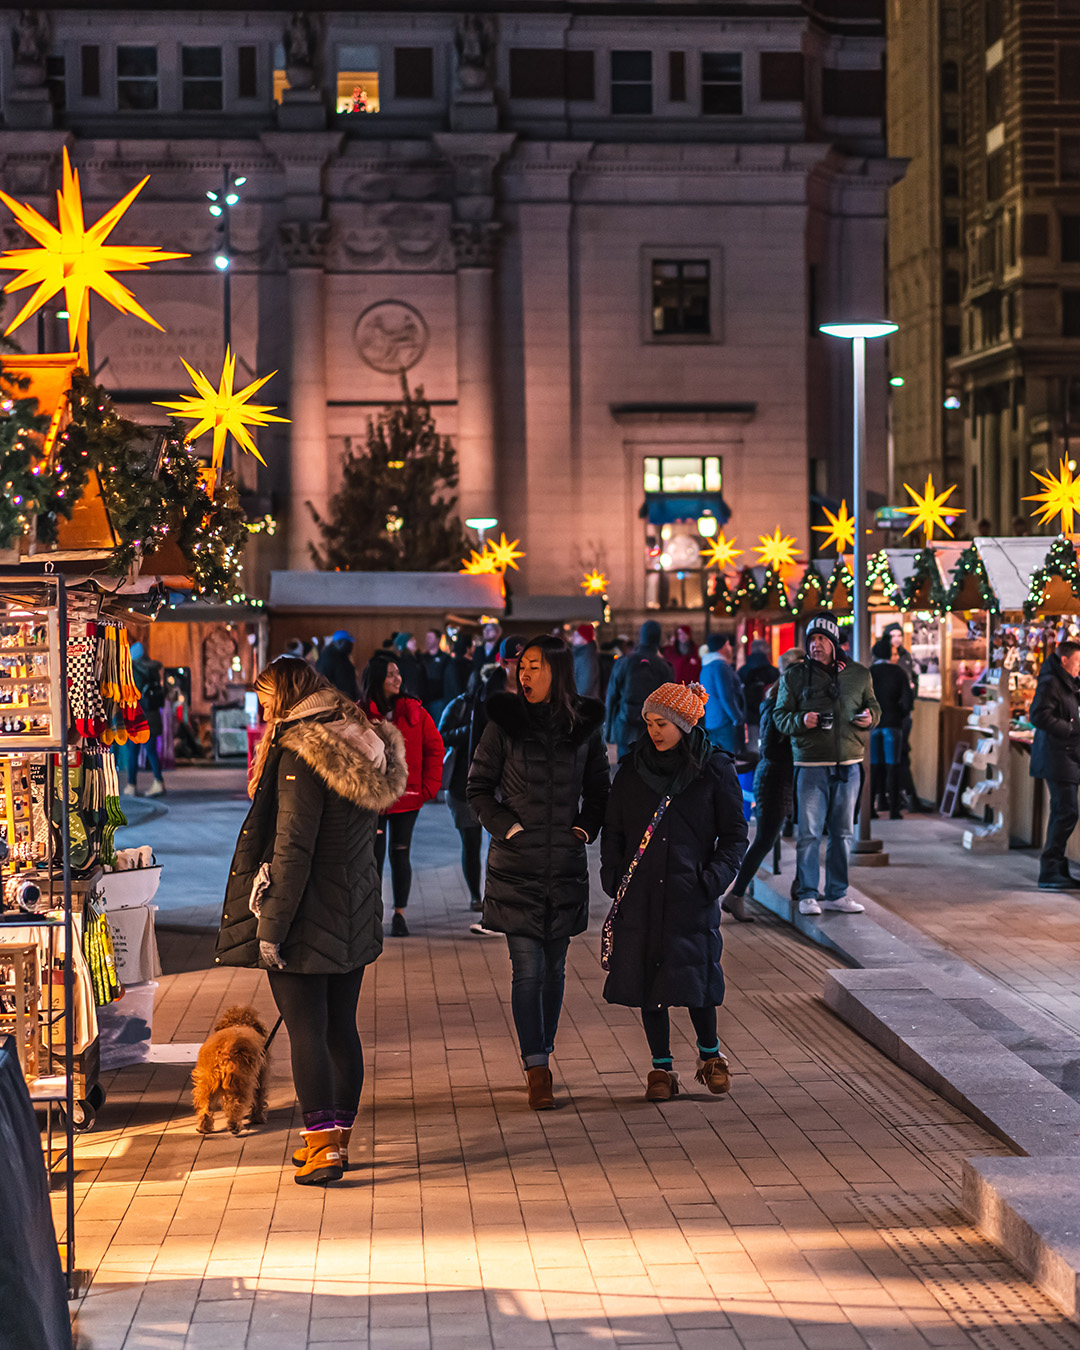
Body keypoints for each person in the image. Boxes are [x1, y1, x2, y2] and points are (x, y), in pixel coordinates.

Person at [215, 656, 407, 1185]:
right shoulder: (360, 736)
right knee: (341, 1025)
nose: (263, 708)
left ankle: (321, 1147)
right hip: (353, 904)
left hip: (308, 910)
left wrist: (271, 928)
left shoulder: (304, 751)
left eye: (266, 697)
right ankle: (337, 1139)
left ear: (287, 694)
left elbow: (292, 846)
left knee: (307, 1030)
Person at [467, 635, 609, 1109]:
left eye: (534, 667)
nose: (523, 675)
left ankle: (542, 1050)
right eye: (521, 667)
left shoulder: (585, 727)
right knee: (527, 969)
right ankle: (536, 1066)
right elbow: (478, 787)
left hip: (564, 865)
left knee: (555, 968)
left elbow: (599, 792)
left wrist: (584, 831)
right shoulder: (504, 723)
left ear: (558, 671)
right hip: (517, 865)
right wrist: (506, 828)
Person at [600, 681, 747, 1101]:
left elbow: (735, 834)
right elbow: (614, 828)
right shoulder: (632, 767)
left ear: (683, 724)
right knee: (650, 981)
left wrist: (713, 879)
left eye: (662, 723)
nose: (654, 731)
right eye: (648, 723)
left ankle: (710, 1056)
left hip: (690, 893)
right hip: (641, 894)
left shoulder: (713, 767)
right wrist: (612, 875)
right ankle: (661, 1069)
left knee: (697, 976)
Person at [774, 614, 880, 916]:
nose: (816, 645)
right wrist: (801, 720)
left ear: (834, 642)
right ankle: (808, 893)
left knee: (843, 832)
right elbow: (780, 716)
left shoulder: (859, 674)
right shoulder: (794, 676)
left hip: (849, 764)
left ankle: (837, 893)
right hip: (810, 764)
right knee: (808, 832)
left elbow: (874, 706)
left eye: (822, 639)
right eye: (811, 640)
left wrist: (871, 717)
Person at [360, 651, 444, 936]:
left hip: (407, 798)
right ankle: (372, 914)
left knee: (400, 853)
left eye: (398, 674)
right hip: (373, 799)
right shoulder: (361, 714)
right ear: (378, 680)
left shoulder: (414, 712)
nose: (397, 679)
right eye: (391, 674)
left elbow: (435, 748)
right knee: (373, 856)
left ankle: (399, 914)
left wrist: (429, 787)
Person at [723, 647, 804, 922]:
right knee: (764, 839)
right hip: (775, 777)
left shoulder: (783, 695)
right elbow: (770, 747)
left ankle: (738, 895)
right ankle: (735, 894)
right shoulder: (780, 697)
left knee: (773, 838)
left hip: (778, 776)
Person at [439, 661, 506, 913]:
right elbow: (442, 734)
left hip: (497, 786)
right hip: (462, 785)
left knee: (497, 844)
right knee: (471, 842)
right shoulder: (461, 704)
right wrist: (474, 727)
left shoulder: (506, 710)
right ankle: (475, 895)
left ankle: (493, 894)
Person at [1029, 640, 1080, 890]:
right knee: (1066, 811)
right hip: (1057, 756)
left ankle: (1056, 868)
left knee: (1064, 811)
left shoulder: (1069, 682)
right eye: (1078, 662)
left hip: (1067, 756)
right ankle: (1050, 868)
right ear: (1064, 660)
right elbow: (1038, 714)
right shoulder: (1051, 682)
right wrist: (1069, 729)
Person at [605, 620, 673, 756]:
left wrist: (608, 731)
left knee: (625, 764)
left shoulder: (624, 662)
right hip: (653, 725)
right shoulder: (663, 666)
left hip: (626, 721)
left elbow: (612, 696)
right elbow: (670, 702)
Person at [869, 637, 915, 820]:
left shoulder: (870, 672)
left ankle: (871, 807)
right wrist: (901, 714)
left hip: (873, 725)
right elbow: (907, 700)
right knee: (892, 767)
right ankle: (894, 809)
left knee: (874, 767)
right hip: (892, 724)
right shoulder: (899, 673)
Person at [126, 642, 166, 797]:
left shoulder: (134, 670)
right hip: (154, 714)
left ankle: (131, 785)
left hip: (138, 717)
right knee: (151, 750)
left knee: (133, 751)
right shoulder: (153, 670)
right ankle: (158, 781)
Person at [700, 634, 746, 755]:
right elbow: (726, 695)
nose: (730, 648)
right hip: (724, 722)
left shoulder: (706, 667)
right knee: (729, 760)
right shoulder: (721, 666)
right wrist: (737, 717)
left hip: (711, 721)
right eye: (728, 644)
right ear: (723, 646)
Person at [739, 640, 780, 750]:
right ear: (766, 650)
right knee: (769, 744)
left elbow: (739, 695)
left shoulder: (743, 671)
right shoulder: (774, 672)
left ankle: (753, 765)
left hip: (750, 714)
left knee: (752, 744)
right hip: (768, 713)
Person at [419, 629, 451, 725]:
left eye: (430, 638)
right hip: (423, 700)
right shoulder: (422, 658)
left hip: (438, 700)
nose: (427, 640)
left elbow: (449, 680)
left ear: (437, 640)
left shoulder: (445, 658)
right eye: (427, 638)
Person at [316, 631, 358, 701]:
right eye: (348, 643)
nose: (351, 646)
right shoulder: (330, 657)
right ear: (339, 642)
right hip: (339, 699)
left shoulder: (341, 655)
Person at [571, 623, 601, 700]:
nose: (573, 638)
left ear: (585, 639)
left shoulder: (586, 657)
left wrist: (575, 700)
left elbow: (584, 685)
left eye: (577, 635)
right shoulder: (579, 654)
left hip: (583, 704)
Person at [390, 632, 423, 698]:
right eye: (411, 640)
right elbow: (410, 681)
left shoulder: (416, 658)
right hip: (411, 696)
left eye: (414, 639)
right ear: (404, 643)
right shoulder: (406, 660)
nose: (414, 642)